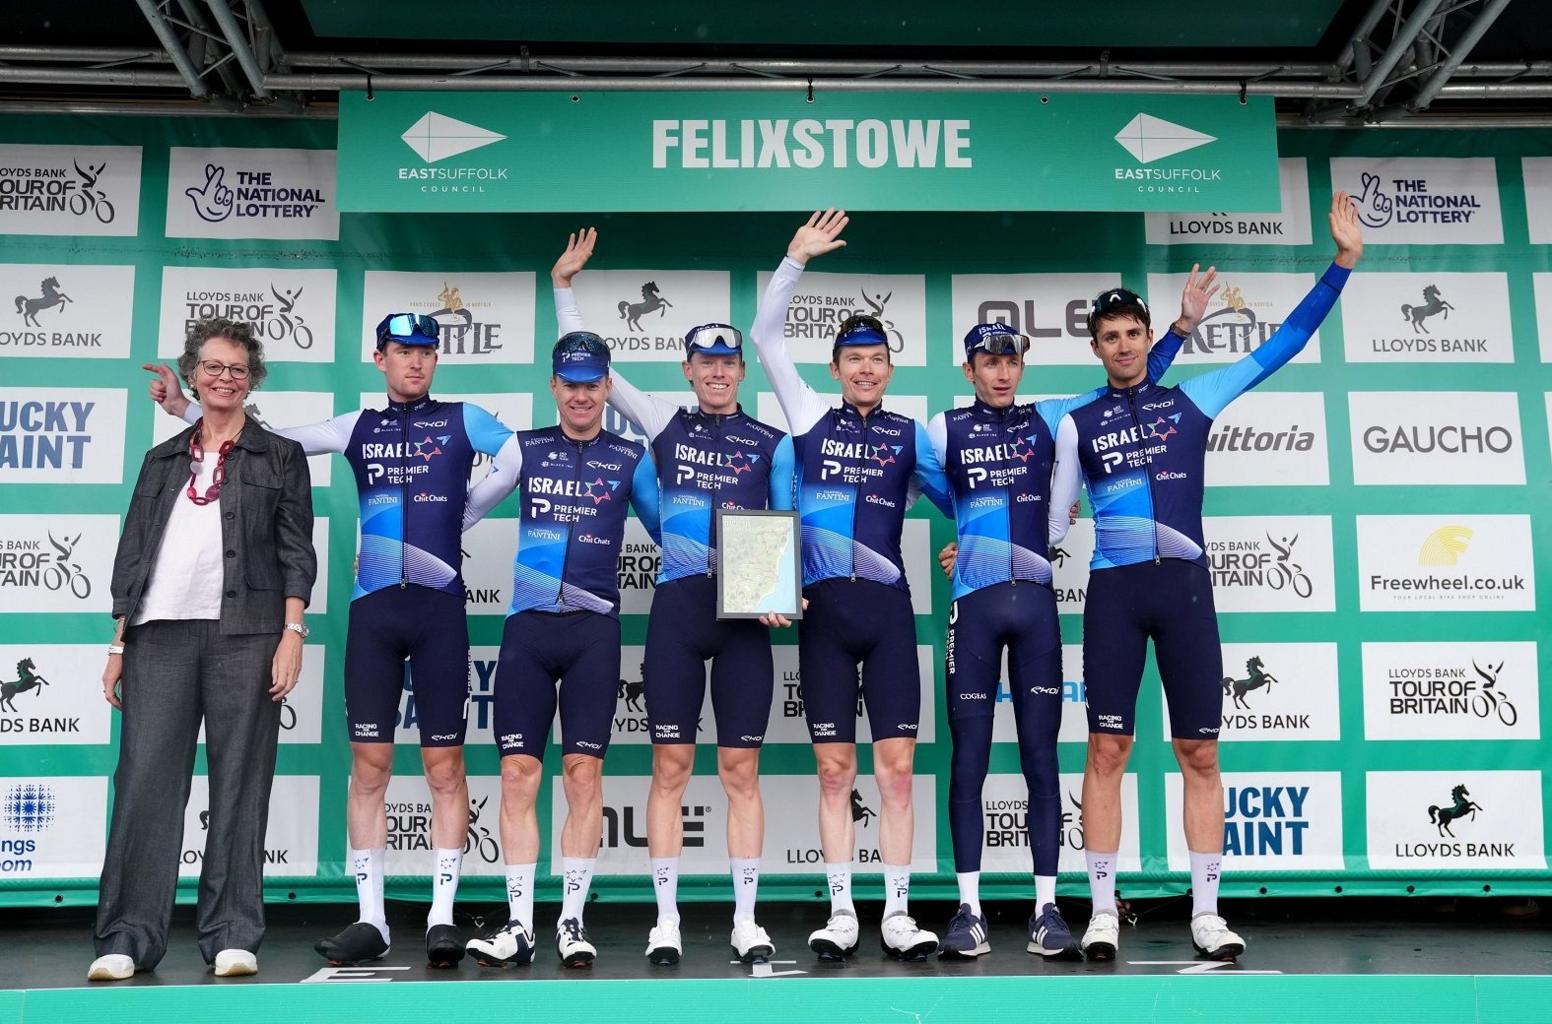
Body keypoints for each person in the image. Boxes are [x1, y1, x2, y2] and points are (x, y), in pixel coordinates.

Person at [1048, 192, 1363, 961]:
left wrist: (1342, 265)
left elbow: (1283, 343)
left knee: (1201, 754)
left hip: (1186, 593)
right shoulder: (1074, 419)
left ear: (1148, 337)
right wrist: (977, 544)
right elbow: (1043, 513)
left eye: (1133, 334)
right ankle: (1097, 910)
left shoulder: (1193, 399)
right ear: (1096, 347)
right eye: (1110, 337)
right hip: (1116, 593)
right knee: (1104, 754)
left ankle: (1207, 913)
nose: (1123, 346)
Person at [148, 313, 515, 968]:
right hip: (373, 612)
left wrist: (464, 513)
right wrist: (183, 410)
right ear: (379, 358)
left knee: (445, 767)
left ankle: (440, 915)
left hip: (440, 612)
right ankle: (371, 918)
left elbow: (516, 457)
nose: (416, 363)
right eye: (403, 352)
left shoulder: (463, 419)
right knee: (369, 768)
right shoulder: (357, 425)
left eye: (426, 353)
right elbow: (266, 441)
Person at [926, 266, 1215, 959]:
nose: (1001, 373)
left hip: (1036, 606)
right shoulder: (941, 427)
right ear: (969, 367)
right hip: (976, 602)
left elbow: (1128, 386)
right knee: (968, 758)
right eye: (989, 361)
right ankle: (966, 911)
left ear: (1022, 365)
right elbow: (921, 485)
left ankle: (1048, 908)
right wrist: (972, 537)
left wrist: (1176, 332)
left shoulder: (1052, 417)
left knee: (1040, 759)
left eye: (1011, 360)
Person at [547, 228, 797, 965]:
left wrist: (781, 589)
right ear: (687, 369)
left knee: (740, 771)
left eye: (728, 362)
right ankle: (667, 918)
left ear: (742, 368)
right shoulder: (662, 422)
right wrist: (564, 289)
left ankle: (747, 920)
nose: (718, 373)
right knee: (670, 767)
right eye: (706, 363)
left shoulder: (771, 438)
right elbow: (595, 369)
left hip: (747, 619)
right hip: (679, 613)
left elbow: (784, 516)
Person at [752, 210, 954, 962]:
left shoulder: (910, 435)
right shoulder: (805, 415)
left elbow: (968, 498)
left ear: (889, 369)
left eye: (877, 358)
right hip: (825, 616)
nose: (866, 369)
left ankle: (897, 913)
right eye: (853, 358)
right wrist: (794, 260)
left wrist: (974, 538)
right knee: (834, 770)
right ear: (834, 368)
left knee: (895, 771)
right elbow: (766, 337)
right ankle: (842, 913)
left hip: (890, 614)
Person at [92, 318, 315, 981]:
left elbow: (296, 553)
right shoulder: (161, 460)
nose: (225, 378)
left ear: (253, 380)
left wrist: (291, 633)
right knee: (144, 785)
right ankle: (127, 937)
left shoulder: (279, 456)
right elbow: (133, 553)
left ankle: (231, 934)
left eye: (237, 369)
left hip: (246, 635)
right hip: (158, 636)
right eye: (213, 367)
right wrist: (117, 642)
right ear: (192, 374)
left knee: (241, 784)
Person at [461, 332, 660, 969]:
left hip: (593, 633)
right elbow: (462, 510)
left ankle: (571, 921)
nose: (581, 394)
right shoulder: (524, 448)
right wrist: (409, 538)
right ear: (554, 386)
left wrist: (754, 570)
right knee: (518, 775)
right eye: (570, 383)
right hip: (528, 629)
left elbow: (673, 533)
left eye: (592, 383)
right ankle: (519, 924)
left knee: (583, 775)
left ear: (607, 387)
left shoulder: (631, 458)